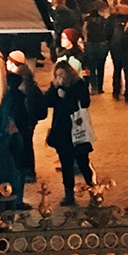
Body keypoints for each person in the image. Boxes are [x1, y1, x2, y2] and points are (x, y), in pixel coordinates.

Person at [44, 60, 96, 205]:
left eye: (62, 74)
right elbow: (47, 102)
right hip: (62, 132)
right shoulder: (55, 87)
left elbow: (85, 102)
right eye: (57, 74)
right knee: (66, 165)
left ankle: (93, 190)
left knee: (83, 162)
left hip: (77, 130)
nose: (60, 77)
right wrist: (54, 89)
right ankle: (69, 194)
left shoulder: (78, 85)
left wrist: (66, 95)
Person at [0, 50, 44, 182]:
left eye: (9, 60)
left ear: (14, 63)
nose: (6, 63)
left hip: (25, 120)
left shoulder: (22, 80)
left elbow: (28, 102)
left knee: (25, 144)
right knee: (25, 144)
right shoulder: (23, 76)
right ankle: (27, 170)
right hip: (25, 119)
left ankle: (29, 172)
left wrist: (28, 121)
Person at [83, 1, 112, 95]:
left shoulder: (87, 20)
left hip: (90, 44)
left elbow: (84, 32)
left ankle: (93, 87)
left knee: (91, 66)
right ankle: (100, 88)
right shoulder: (104, 21)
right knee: (101, 67)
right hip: (102, 45)